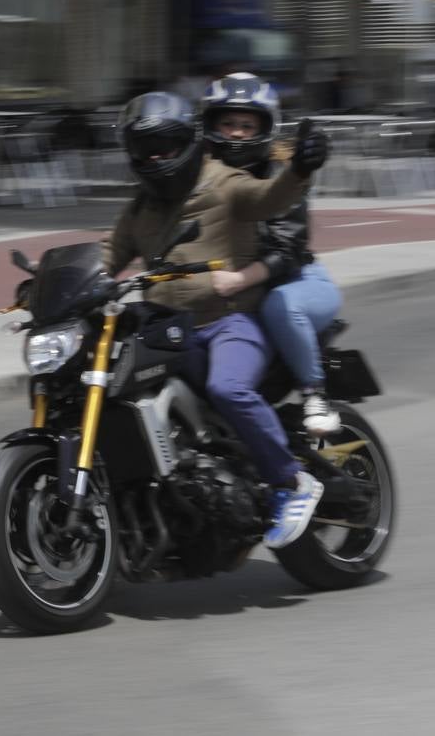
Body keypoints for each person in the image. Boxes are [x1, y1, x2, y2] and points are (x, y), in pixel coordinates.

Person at [100, 91, 330, 549]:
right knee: (113, 382)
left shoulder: (225, 183)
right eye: (146, 148)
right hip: (168, 327)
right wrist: (57, 282)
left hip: (229, 322)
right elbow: (109, 253)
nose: (156, 156)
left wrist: (301, 169)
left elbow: (269, 198)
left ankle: (293, 482)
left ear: (187, 142)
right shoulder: (141, 205)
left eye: (165, 145)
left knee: (229, 388)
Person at [200, 72, 344, 435]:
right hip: (236, 290)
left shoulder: (280, 177)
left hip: (299, 281)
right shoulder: (199, 177)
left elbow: (289, 249)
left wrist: (239, 279)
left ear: (264, 128)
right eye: (228, 123)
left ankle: (314, 392)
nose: (235, 132)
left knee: (280, 304)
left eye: (246, 125)